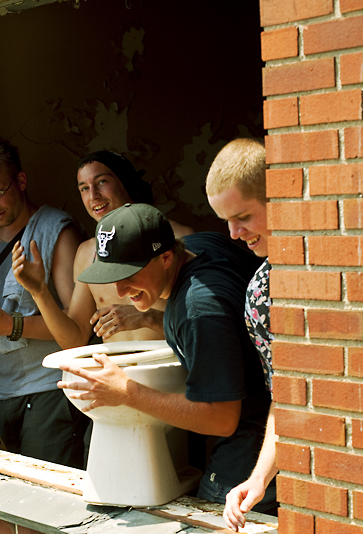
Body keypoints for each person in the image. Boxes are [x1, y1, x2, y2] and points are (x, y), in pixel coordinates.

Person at [57, 202, 274, 508]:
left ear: (166, 257)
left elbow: (222, 418)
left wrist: (126, 392)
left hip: (253, 452)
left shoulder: (198, 308)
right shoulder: (202, 246)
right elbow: (226, 328)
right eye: (111, 275)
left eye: (128, 273)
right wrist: (149, 319)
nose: (120, 290)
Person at [0, 138, 85, 467]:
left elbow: (77, 328)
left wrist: (10, 325)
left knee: (50, 496)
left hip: (49, 390)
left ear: (20, 182)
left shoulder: (57, 231)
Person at [11, 150, 194, 348]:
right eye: (83, 188)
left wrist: (148, 317)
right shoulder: (86, 252)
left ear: (125, 182)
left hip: (168, 371)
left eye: (102, 182)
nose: (93, 195)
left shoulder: (176, 238)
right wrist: (39, 292)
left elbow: (204, 322)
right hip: (115, 374)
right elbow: (75, 339)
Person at [206, 138, 277, 531]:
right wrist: (259, 478)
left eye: (243, 216)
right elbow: (287, 397)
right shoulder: (260, 291)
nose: (234, 234)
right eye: (225, 221)